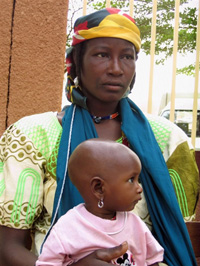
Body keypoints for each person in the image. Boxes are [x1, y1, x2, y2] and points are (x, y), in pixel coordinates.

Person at [0, 7, 199, 266]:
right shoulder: (35, 135)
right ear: (77, 63)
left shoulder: (166, 139)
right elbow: (6, 248)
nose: (116, 69)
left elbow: (173, 235)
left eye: (127, 57)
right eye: (102, 54)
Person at [36, 139, 164, 266]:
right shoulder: (67, 228)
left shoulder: (135, 223)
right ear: (99, 188)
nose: (139, 188)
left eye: (138, 180)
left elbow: (152, 260)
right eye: (131, 180)